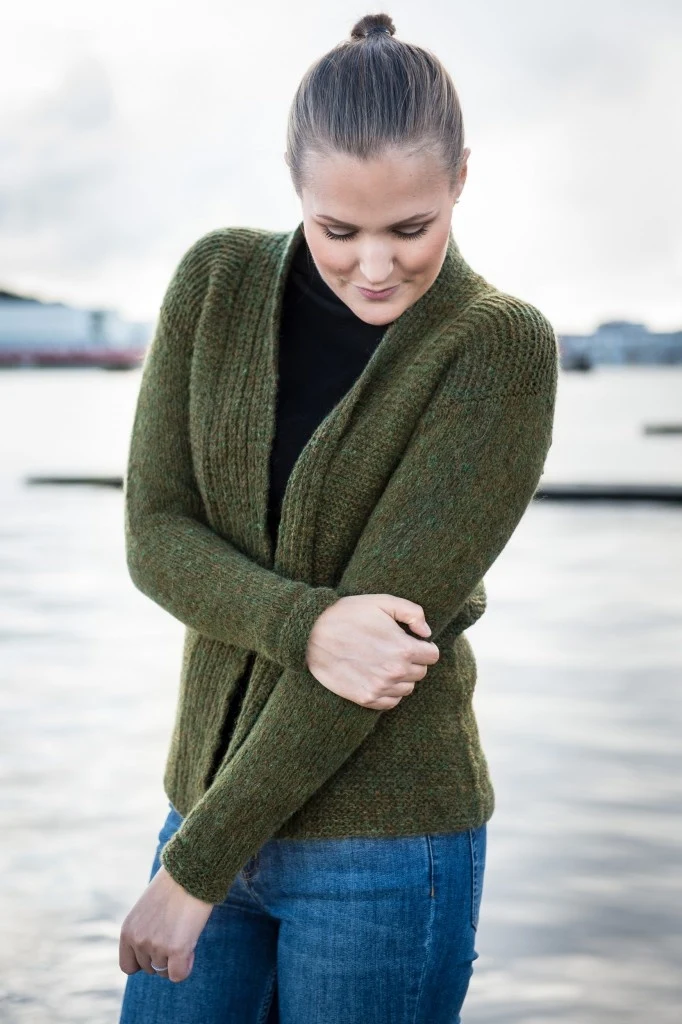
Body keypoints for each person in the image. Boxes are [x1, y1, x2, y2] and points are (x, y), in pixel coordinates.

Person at [117, 11, 558, 1023]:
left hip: (384, 850)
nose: (374, 266)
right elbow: (156, 535)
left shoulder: (497, 349)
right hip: (202, 805)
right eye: (337, 230)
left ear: (461, 179)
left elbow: (379, 654)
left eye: (410, 228)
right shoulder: (216, 284)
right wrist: (306, 624)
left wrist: (192, 871)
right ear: (294, 184)